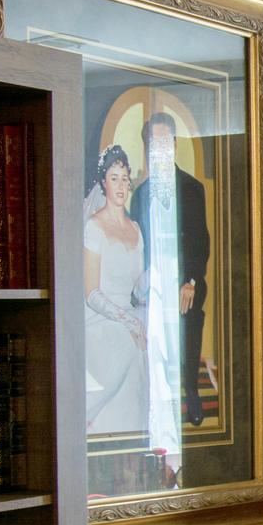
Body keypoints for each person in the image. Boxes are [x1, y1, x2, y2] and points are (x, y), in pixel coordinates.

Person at [127, 112, 212, 426]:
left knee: (189, 312)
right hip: (152, 279)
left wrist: (189, 280)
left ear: (174, 145)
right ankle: (154, 397)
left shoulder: (192, 189)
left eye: (164, 141)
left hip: (186, 277)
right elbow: (136, 246)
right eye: (153, 142)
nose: (158, 148)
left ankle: (190, 389)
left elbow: (201, 241)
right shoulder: (141, 194)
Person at [84, 146, 148, 435]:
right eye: (114, 178)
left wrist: (157, 281)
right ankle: (86, 415)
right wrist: (127, 320)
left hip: (130, 315)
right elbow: (91, 293)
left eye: (124, 178)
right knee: (127, 338)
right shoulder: (93, 227)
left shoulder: (135, 228)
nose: (120, 186)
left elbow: (139, 286)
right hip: (101, 321)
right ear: (103, 183)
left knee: (144, 341)